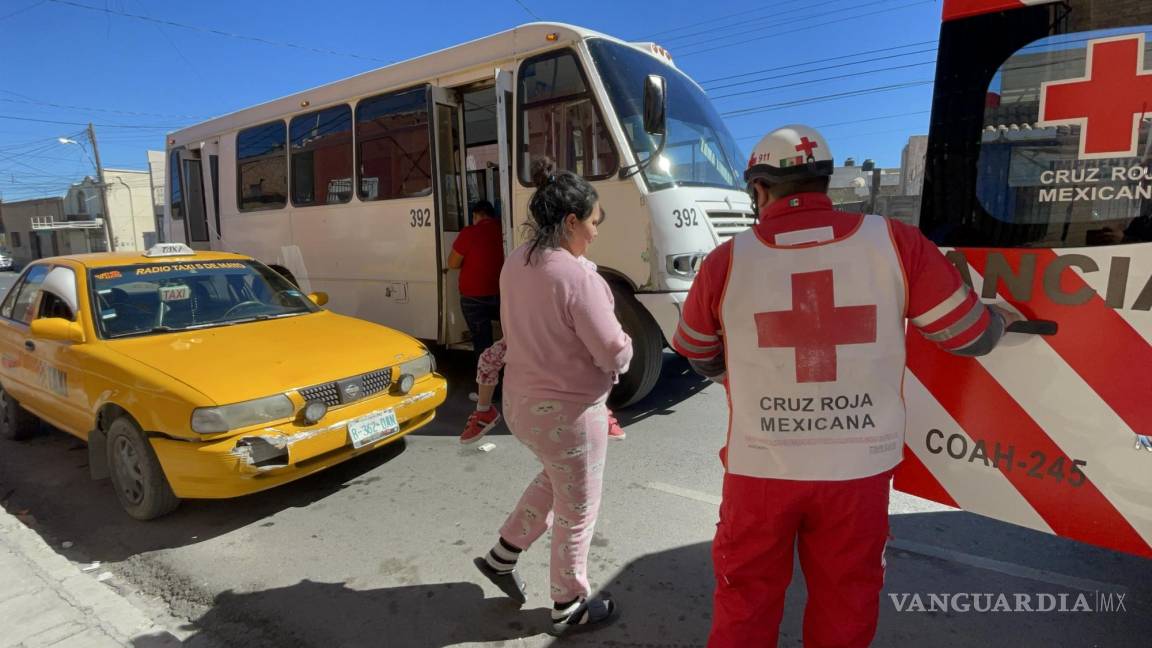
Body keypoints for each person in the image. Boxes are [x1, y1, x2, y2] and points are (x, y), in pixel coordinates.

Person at [672, 125, 1021, 648]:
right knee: (847, 600)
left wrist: (738, 371)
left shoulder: (728, 260)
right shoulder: (894, 242)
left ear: (760, 190)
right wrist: (999, 320)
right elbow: (967, 335)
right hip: (858, 470)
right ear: (824, 182)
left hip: (761, 468)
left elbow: (696, 350)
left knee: (745, 599)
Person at [473, 158, 631, 636]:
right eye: (594, 221)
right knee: (578, 509)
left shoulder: (517, 261)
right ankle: (568, 603)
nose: (597, 232)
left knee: (555, 478)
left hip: (522, 405)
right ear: (570, 221)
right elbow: (612, 350)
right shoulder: (580, 278)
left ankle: (503, 556)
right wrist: (624, 353)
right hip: (570, 412)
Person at [460, 337, 627, 444]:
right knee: (488, 358)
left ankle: (601, 408)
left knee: (606, 355)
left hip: (559, 327)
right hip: (531, 328)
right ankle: (484, 411)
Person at [448, 199, 505, 400]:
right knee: (509, 340)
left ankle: (489, 393)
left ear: (476, 215)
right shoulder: (504, 230)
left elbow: (453, 263)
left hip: (474, 298)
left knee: (483, 344)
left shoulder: (469, 233)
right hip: (502, 295)